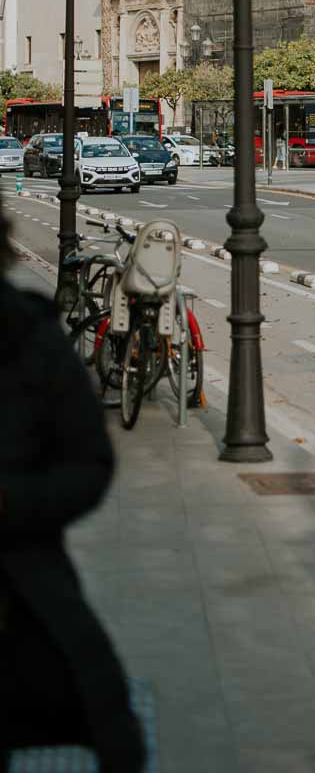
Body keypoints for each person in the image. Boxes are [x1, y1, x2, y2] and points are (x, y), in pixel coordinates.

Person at [0, 207, 146, 772]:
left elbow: (89, 462)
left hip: (21, 598)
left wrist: (12, 503)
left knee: (111, 729)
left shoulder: (26, 336)